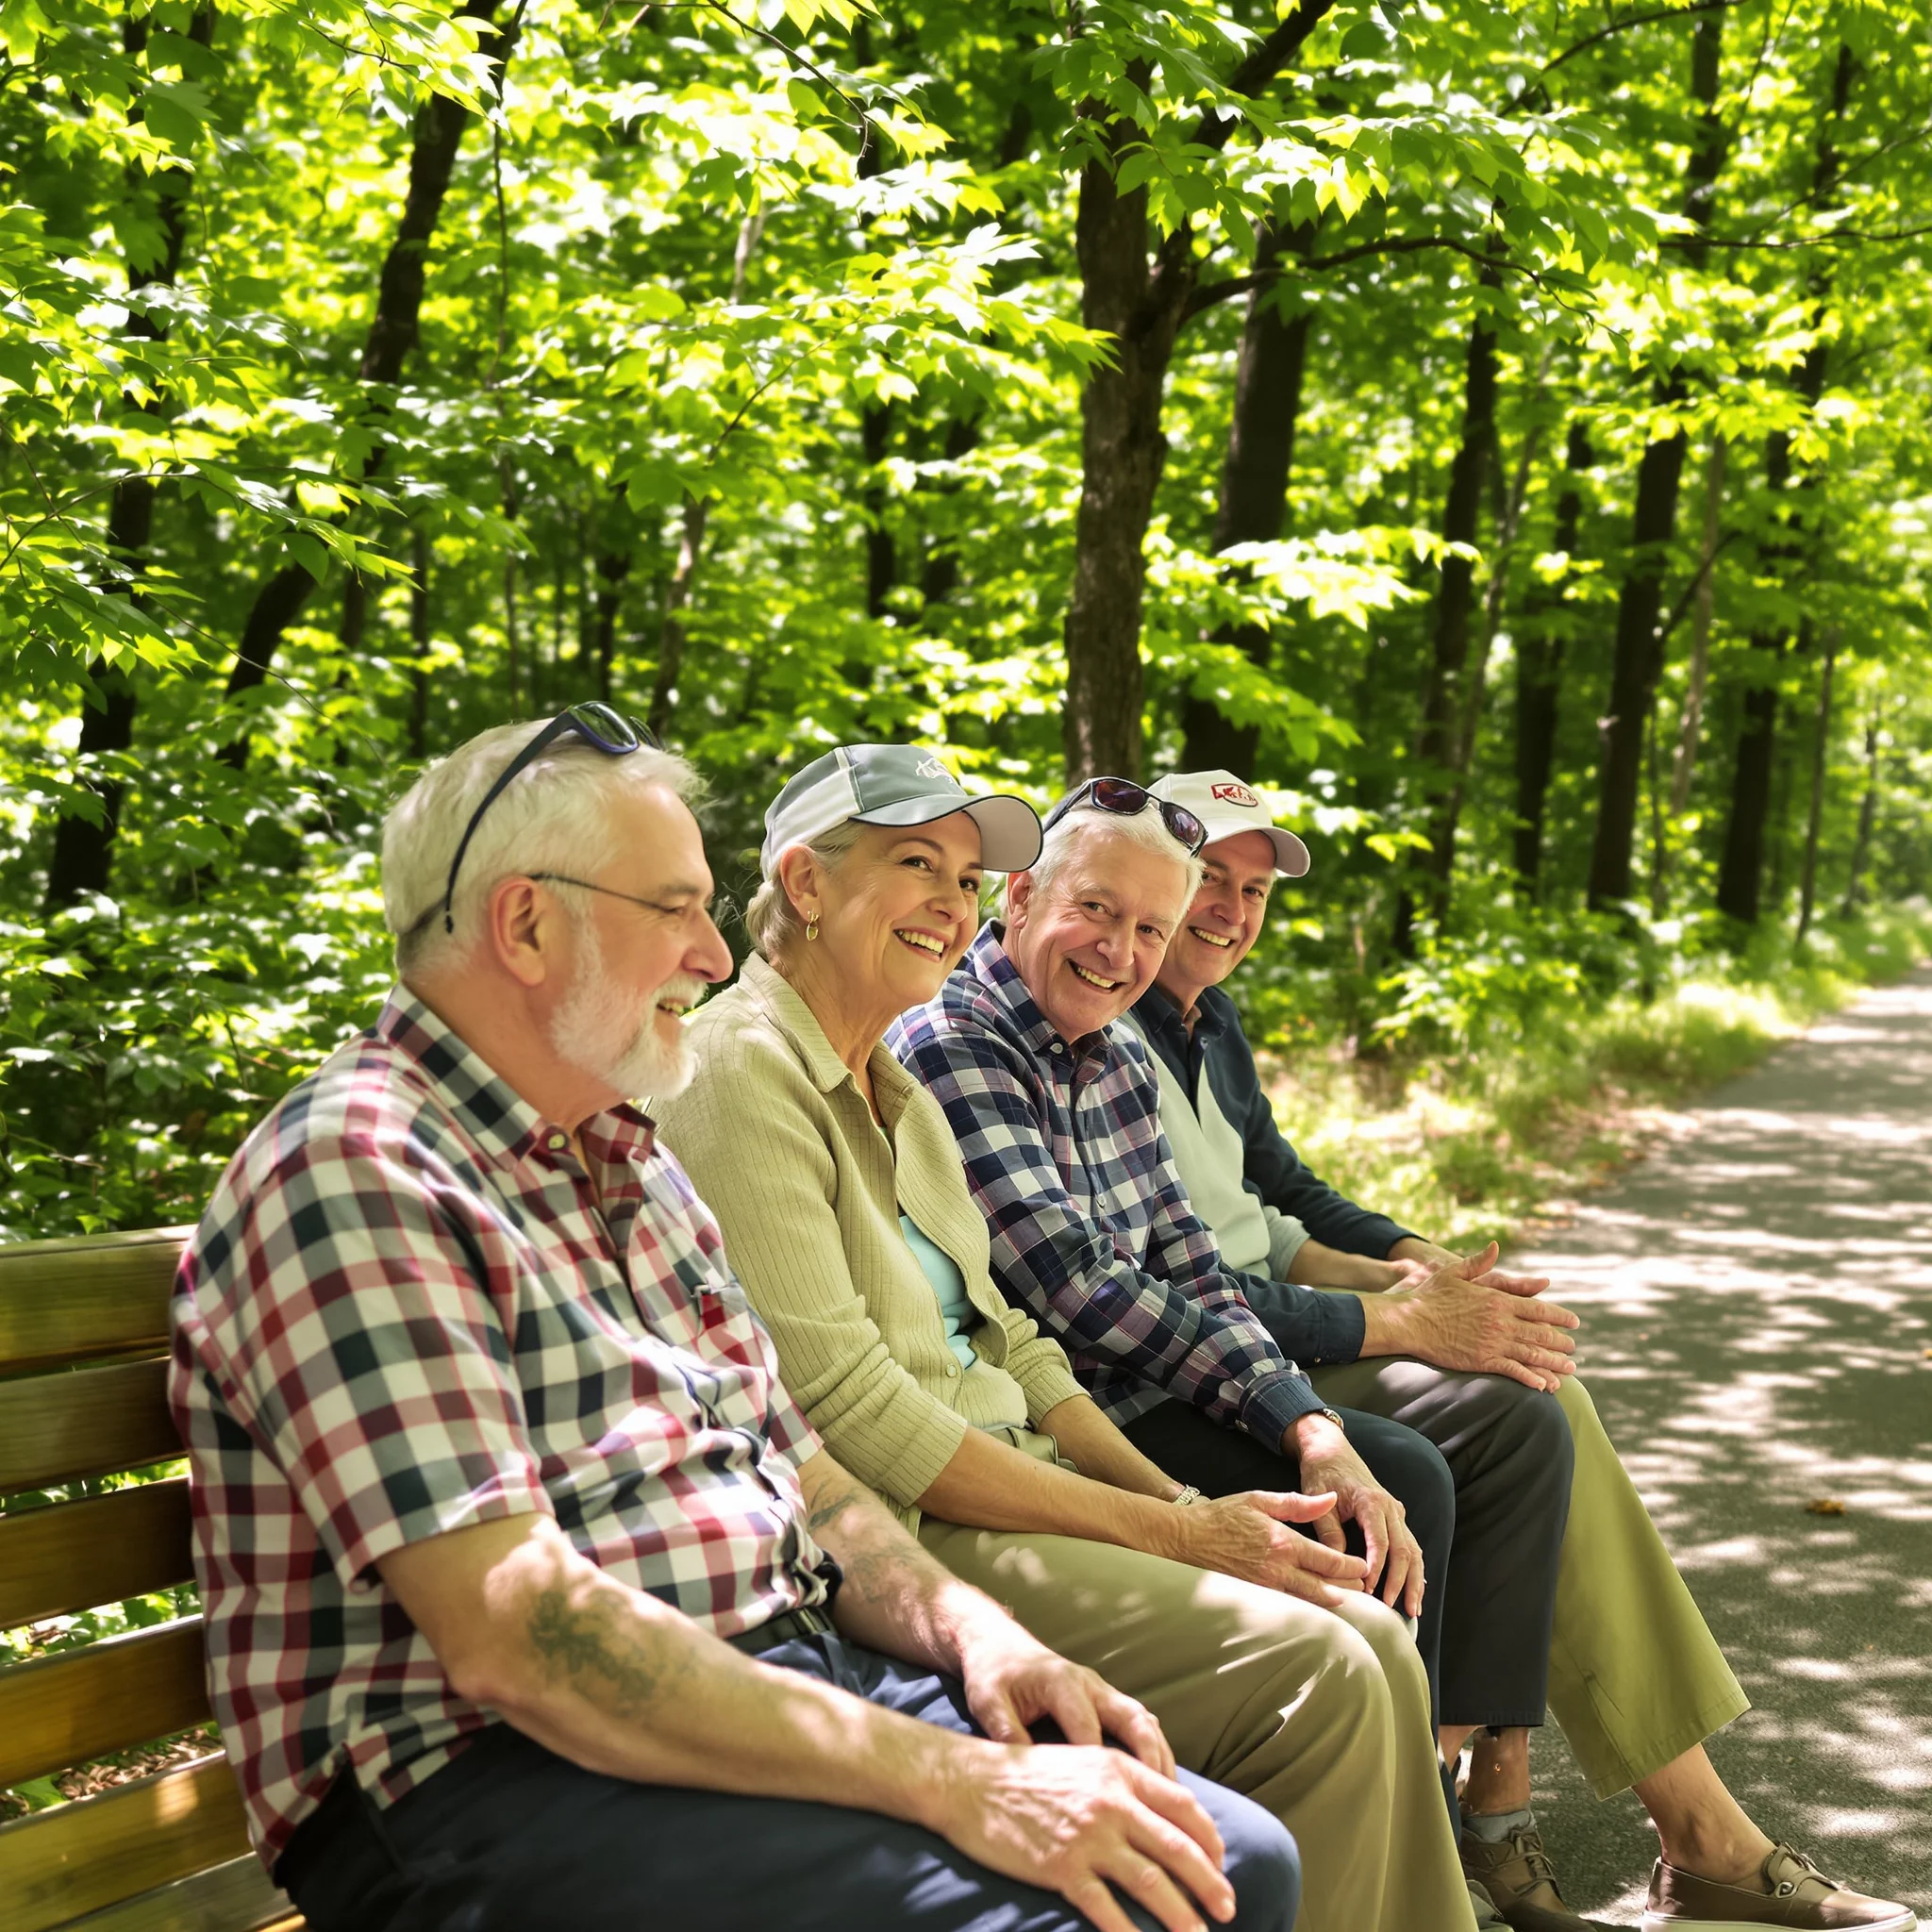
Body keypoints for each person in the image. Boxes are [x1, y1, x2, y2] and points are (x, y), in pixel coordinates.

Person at [167, 707, 1302, 1932]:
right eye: (673, 908)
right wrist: (956, 1777)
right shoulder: (360, 1172)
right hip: (487, 1785)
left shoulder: (625, 1166)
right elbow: (520, 1640)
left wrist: (982, 1639)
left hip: (766, 1677)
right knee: (1124, 1902)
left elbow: (808, 1479)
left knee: (1229, 1856)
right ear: (526, 923)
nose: (713, 954)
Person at [655, 742, 1479, 1932]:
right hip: (906, 1535)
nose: (951, 904)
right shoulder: (741, 1071)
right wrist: (1177, 1526)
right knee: (1333, 1667)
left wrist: (1189, 1514)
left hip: (1020, 1482)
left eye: (962, 877)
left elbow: (1022, 1346)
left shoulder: (890, 1085)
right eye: (914, 865)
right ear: (803, 882)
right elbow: (853, 1411)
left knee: (1367, 1626)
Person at [1124, 765, 1918, 1932]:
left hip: (1275, 1325)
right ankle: (1574, 1814)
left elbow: (1278, 1189)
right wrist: (1395, 1316)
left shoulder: (1206, 1021)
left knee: (1536, 1378)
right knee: (1515, 1413)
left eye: (1254, 890)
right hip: (1217, 1358)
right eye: (1209, 880)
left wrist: (1420, 1260)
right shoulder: (1101, 1030)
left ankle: (1583, 1810)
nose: (1231, 911)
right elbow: (1161, 1286)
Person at [883, 777, 1584, 1931]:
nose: (1119, 952)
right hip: (1072, 1412)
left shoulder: (1105, 1052)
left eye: (1143, 929)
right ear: (1017, 897)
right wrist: (1314, 1406)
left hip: (1153, 1380)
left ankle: (1413, 1814)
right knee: (1391, 1478)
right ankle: (1371, 1839)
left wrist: (1304, 1422)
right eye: (1096, 912)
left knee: (1396, 1460)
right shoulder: (956, 1039)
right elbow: (1075, 1289)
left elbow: (1192, 1263)